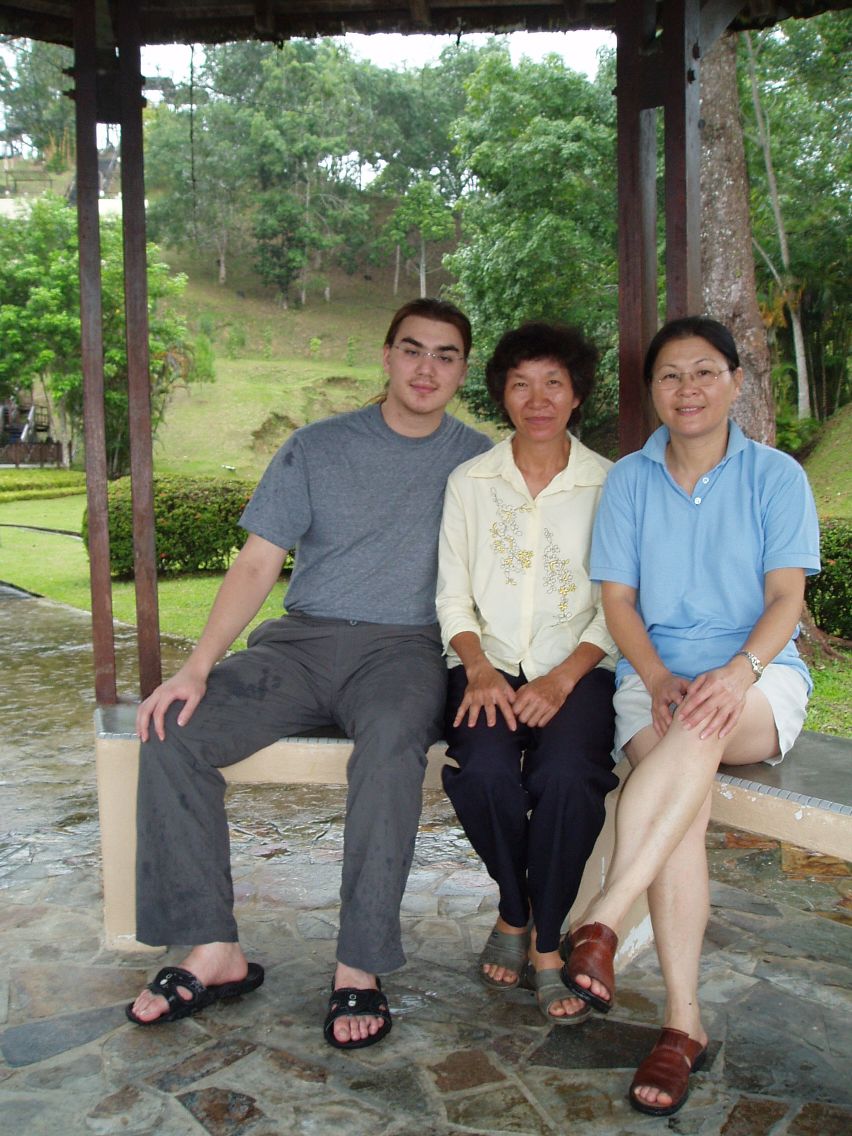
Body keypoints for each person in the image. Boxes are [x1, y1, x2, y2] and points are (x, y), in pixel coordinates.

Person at [126, 298, 492, 1049]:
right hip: (298, 645)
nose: (428, 367)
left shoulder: (478, 463)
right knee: (174, 728)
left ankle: (359, 965)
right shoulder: (317, 447)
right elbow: (259, 560)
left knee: (392, 746)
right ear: (386, 357)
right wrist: (197, 668)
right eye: (413, 350)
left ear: (463, 370)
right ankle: (213, 947)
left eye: (446, 354)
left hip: (403, 651)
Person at [561, 316, 820, 1116]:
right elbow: (619, 601)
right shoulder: (631, 481)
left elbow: (786, 599)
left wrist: (737, 674)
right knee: (685, 774)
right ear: (653, 392)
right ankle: (681, 1023)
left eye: (705, 372)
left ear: (736, 382)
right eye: (671, 376)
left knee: (699, 730)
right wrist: (658, 674)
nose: (688, 390)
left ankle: (602, 920)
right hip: (657, 676)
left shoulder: (776, 476)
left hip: (758, 673)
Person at [436, 321, 619, 1024]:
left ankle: (544, 943)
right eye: (520, 383)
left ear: (576, 396)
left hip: (576, 668)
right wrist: (478, 668)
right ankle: (519, 910)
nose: (537, 398)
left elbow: (619, 602)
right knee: (481, 770)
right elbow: (452, 593)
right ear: (502, 394)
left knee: (567, 777)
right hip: (484, 665)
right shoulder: (470, 481)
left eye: (553, 383)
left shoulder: (610, 483)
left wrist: (564, 679)